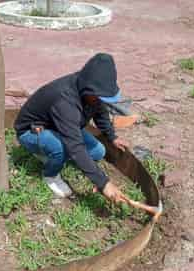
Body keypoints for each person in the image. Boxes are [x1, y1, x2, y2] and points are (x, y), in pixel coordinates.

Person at [14, 53, 129, 203]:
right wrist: (103, 183)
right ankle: (50, 175)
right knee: (62, 148)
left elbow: (100, 113)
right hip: (32, 131)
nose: (101, 100)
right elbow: (75, 146)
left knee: (98, 151)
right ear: (89, 89)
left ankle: (55, 155)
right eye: (99, 97)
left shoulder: (92, 92)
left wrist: (112, 137)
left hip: (60, 126)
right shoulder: (65, 100)